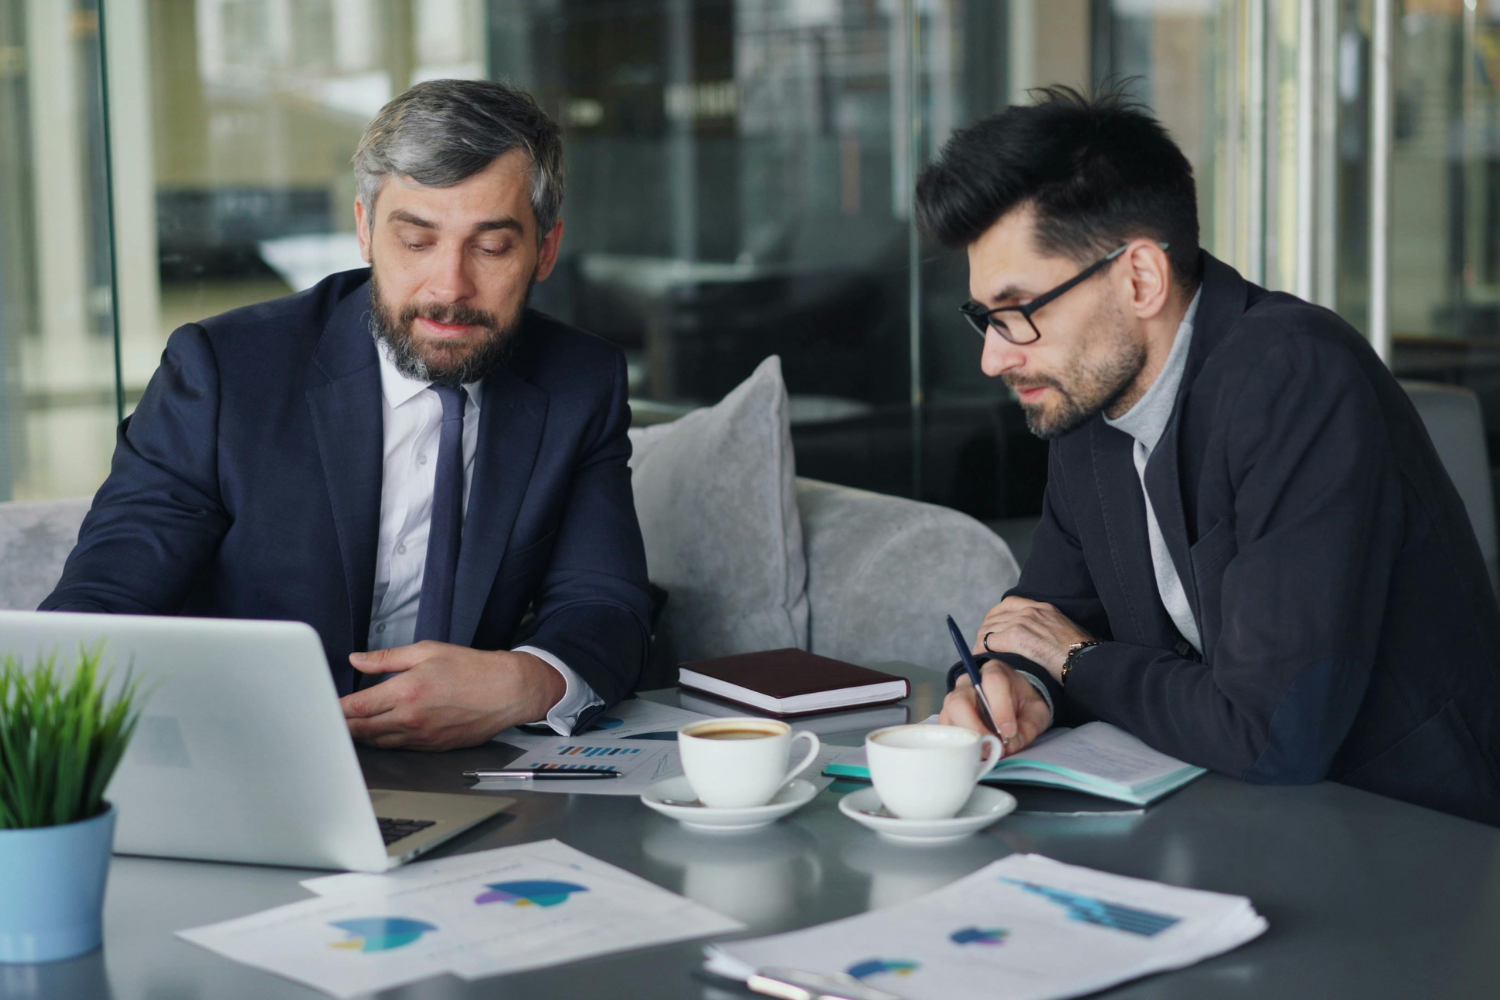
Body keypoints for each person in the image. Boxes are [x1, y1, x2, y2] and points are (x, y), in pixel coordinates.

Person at [921, 87, 1500, 825]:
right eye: (984, 319)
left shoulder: (1295, 378)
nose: (994, 358)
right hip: (1213, 812)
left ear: (1139, 278)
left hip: (1407, 837)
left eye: (1019, 313)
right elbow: (1047, 617)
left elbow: (1273, 733)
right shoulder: (1085, 400)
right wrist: (1014, 687)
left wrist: (1078, 660)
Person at [42, 80, 653, 751]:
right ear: (364, 229)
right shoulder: (222, 373)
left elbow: (604, 603)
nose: (449, 286)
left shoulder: (580, 381)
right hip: (252, 759)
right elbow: (101, 606)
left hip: (470, 776)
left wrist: (525, 682)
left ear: (544, 250)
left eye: (492, 246)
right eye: (416, 240)